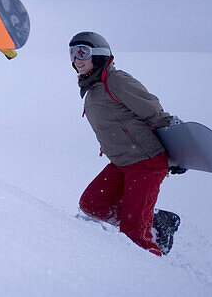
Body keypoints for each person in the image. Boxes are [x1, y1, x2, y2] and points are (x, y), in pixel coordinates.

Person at [72, 31, 182, 256]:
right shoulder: (93, 89)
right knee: (92, 204)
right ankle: (155, 221)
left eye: (83, 51)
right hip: (122, 163)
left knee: (133, 233)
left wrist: (179, 148)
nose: (76, 58)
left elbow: (154, 112)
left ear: (100, 55)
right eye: (72, 53)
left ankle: (153, 271)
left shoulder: (116, 80)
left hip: (146, 162)